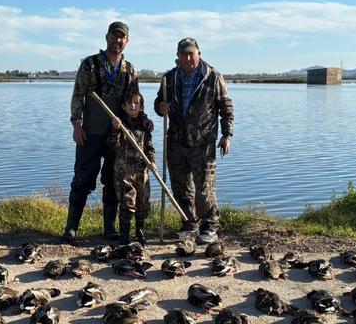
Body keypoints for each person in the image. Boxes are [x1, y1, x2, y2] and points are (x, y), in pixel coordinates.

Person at [64, 21, 143, 243]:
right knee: (82, 180)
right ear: (107, 37)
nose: (118, 40)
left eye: (122, 37)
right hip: (89, 133)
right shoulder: (90, 65)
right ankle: (71, 229)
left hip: (116, 137)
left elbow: (135, 105)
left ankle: (109, 229)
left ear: (127, 42)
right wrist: (76, 125)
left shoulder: (130, 71)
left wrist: (140, 126)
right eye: (114, 36)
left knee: (112, 181)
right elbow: (78, 95)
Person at [154, 37, 233, 244]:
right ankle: (189, 224)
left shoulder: (213, 77)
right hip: (176, 142)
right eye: (184, 54)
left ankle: (209, 227)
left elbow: (226, 109)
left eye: (192, 53)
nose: (188, 58)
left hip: (203, 143)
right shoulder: (168, 78)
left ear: (199, 53)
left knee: (204, 187)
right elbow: (158, 103)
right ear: (178, 56)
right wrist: (160, 108)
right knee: (180, 186)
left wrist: (227, 135)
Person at [108, 90, 155, 245]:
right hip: (124, 172)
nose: (132, 106)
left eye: (136, 103)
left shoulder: (145, 125)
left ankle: (139, 231)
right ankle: (124, 234)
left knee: (143, 203)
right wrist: (115, 129)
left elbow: (149, 147)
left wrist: (152, 161)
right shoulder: (119, 123)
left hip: (142, 171)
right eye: (129, 103)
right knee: (127, 204)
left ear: (141, 107)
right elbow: (112, 145)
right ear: (124, 106)